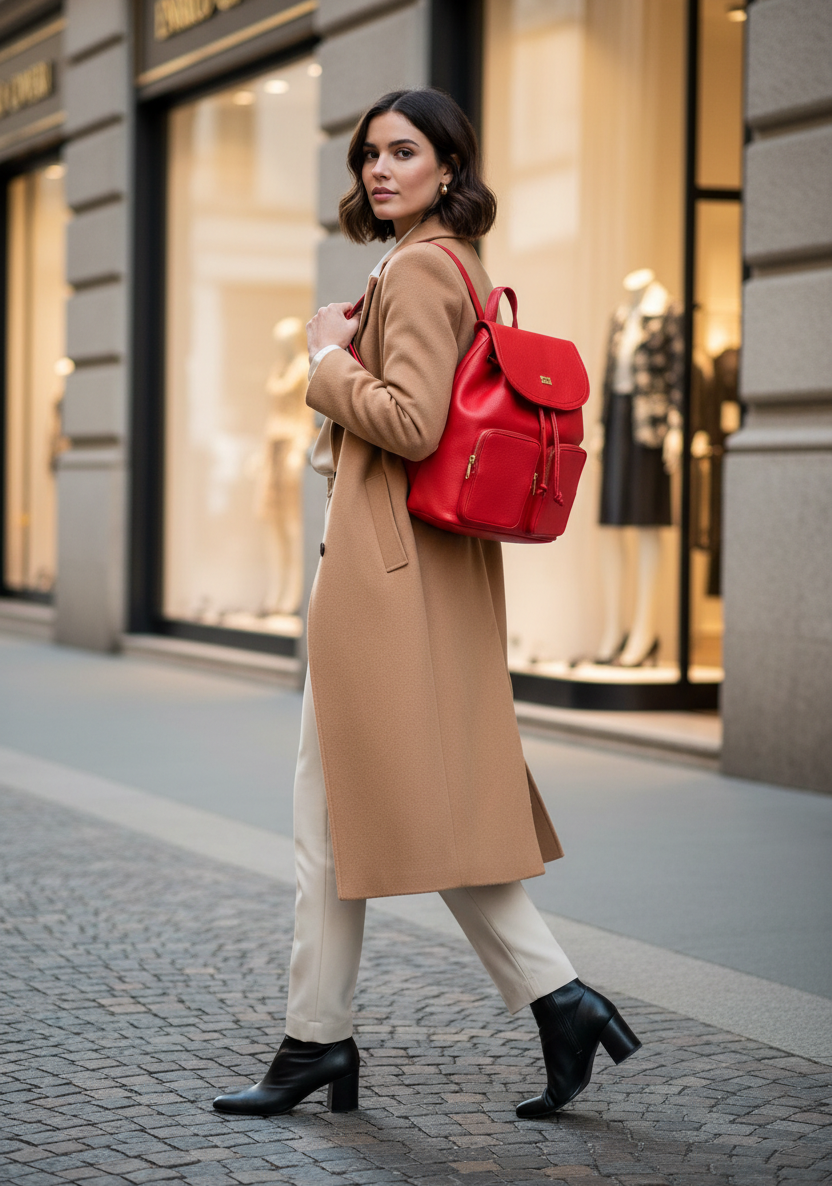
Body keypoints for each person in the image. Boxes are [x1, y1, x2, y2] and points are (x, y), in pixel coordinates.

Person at [213, 88, 641, 1122]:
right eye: (369, 154)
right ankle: (531, 1007)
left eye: (404, 152)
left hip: (383, 574)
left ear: (450, 166)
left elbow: (408, 423)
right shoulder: (454, 267)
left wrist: (322, 361)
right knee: (381, 811)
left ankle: (327, 1039)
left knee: (361, 814)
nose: (379, 168)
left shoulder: (412, 269)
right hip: (432, 568)